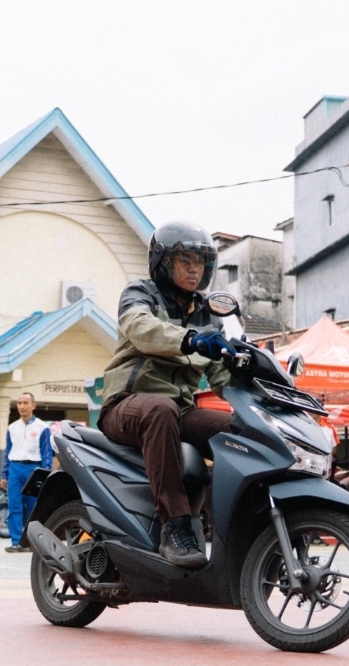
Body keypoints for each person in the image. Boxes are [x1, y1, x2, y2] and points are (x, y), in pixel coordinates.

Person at [97, 221, 232, 568]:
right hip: (127, 405)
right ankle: (175, 526)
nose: (194, 268)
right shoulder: (139, 293)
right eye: (185, 259)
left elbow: (222, 377)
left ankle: (227, 527)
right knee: (160, 408)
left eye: (200, 262)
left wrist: (259, 378)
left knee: (239, 432)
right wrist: (188, 339)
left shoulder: (208, 312)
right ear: (163, 261)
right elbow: (141, 328)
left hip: (180, 411)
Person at [0, 392, 52, 552]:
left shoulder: (43, 428)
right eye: (19, 403)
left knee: (33, 507)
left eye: (25, 403)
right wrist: (5, 474)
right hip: (15, 468)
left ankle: (31, 542)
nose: (22, 406)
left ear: (33, 406)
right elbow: (8, 452)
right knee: (14, 505)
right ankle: (17, 542)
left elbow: (47, 453)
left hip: (33, 469)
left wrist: (45, 474)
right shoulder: (12, 428)